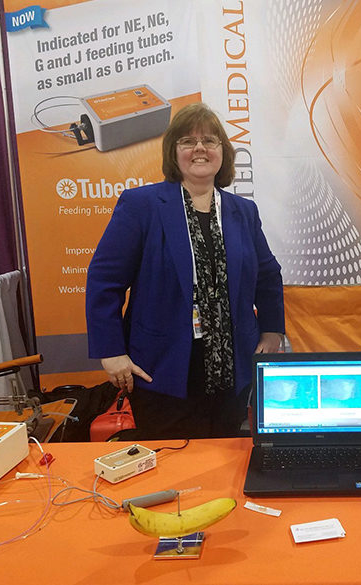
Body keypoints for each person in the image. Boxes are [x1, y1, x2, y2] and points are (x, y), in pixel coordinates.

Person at [86, 102, 285, 439]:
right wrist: (111, 351)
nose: (199, 149)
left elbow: (267, 276)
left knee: (223, 461)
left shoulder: (243, 212)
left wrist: (271, 330)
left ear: (222, 151)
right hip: (162, 369)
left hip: (230, 370)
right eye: (187, 142)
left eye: (209, 140)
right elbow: (104, 281)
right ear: (172, 152)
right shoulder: (142, 206)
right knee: (173, 468)